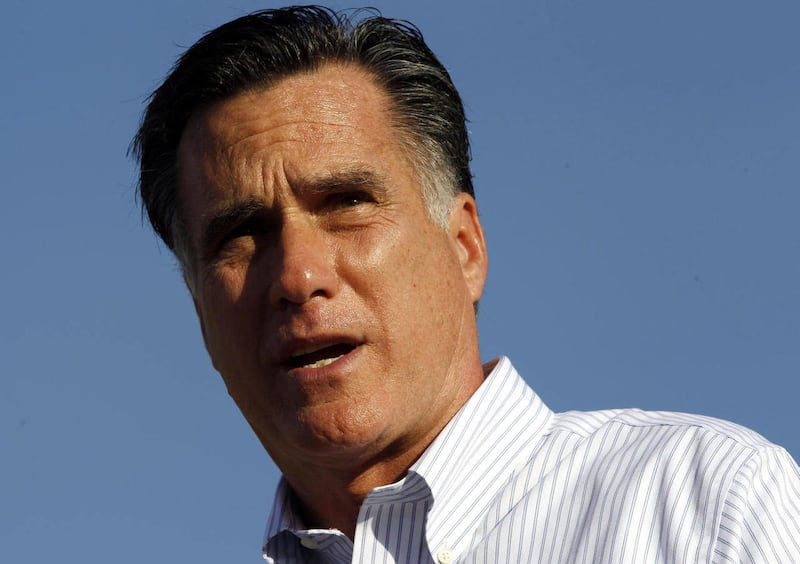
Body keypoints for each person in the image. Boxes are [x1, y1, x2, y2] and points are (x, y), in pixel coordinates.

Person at [132, 6, 800, 562]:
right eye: (240, 235)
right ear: (198, 306)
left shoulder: (704, 511)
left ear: (465, 246)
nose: (298, 275)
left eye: (347, 203)